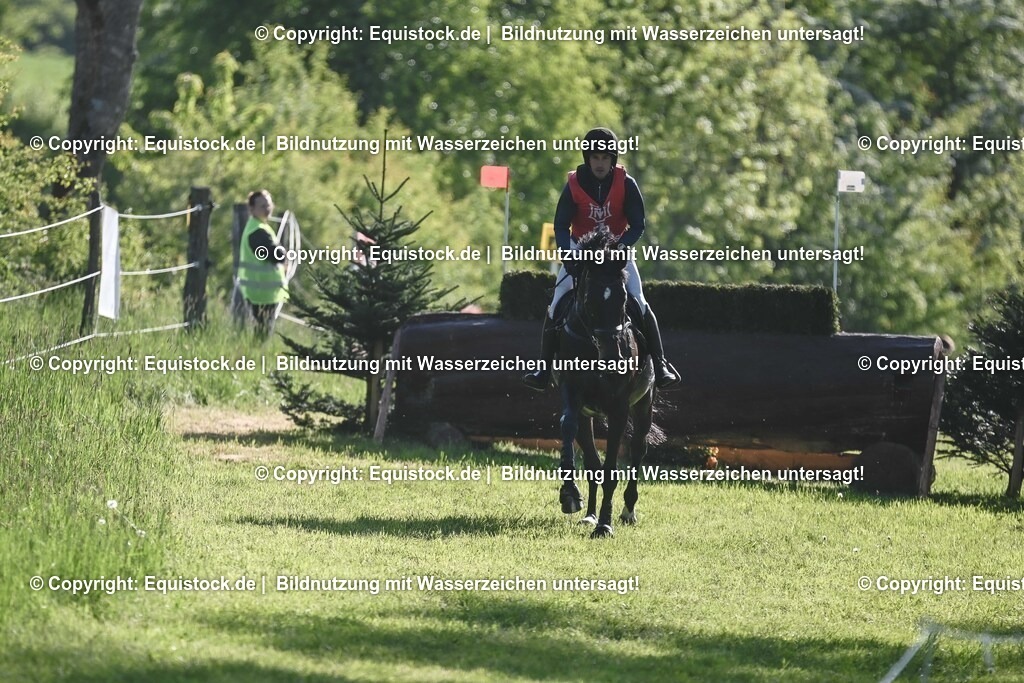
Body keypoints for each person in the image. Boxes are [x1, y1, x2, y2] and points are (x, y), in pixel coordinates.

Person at [523, 127, 679, 391]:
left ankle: (661, 365)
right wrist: (569, 255)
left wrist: (622, 247)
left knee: (639, 302)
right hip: (581, 250)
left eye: (605, 158)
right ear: (587, 158)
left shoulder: (626, 183)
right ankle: (543, 368)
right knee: (556, 302)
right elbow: (561, 226)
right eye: (595, 157)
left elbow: (638, 225)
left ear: (613, 159)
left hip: (616, 249)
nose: (600, 163)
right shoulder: (573, 185)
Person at [237, 189, 289, 339]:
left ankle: (256, 357)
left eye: (269, 205)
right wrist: (284, 255)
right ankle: (256, 359)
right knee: (263, 334)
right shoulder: (257, 231)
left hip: (261, 291)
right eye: (262, 206)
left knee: (262, 332)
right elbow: (274, 254)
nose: (267, 209)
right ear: (251, 209)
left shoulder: (258, 226)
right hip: (262, 292)